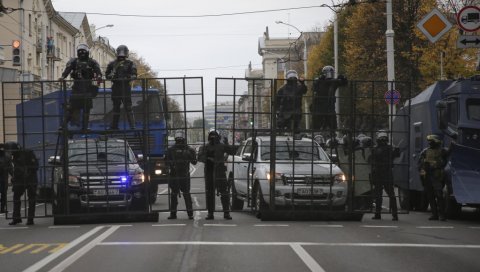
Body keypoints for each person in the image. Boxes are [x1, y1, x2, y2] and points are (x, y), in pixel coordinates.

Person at [59, 44, 102, 131]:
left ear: (87, 52)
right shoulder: (74, 61)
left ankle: (85, 127)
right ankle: (63, 126)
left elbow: (98, 70)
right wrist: (63, 76)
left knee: (86, 109)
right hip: (77, 88)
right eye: (80, 51)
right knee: (71, 108)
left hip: (87, 88)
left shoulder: (92, 62)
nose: (82, 53)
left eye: (83, 51)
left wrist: (99, 76)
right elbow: (68, 69)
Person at [198, 130, 236, 220]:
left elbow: (233, 151)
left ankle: (224, 213)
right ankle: (213, 213)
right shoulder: (206, 147)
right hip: (211, 173)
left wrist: (227, 144)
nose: (213, 139)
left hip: (218, 173)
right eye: (212, 137)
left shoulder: (220, 146)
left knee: (223, 193)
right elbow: (200, 157)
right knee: (214, 194)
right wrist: (208, 158)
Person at [367, 131, 400, 221]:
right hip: (384, 174)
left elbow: (371, 160)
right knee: (389, 195)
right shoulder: (388, 149)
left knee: (380, 195)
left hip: (381, 174)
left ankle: (380, 214)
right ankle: (394, 214)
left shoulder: (378, 149)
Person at [5, 142, 39, 225]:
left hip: (30, 178)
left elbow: (35, 166)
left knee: (31, 198)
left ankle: (30, 219)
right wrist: (14, 178)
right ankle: (16, 218)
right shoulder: (15, 155)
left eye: (11, 151)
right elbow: (16, 169)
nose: (10, 153)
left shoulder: (28, 152)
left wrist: (28, 173)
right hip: (20, 179)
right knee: (16, 196)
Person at [166, 130, 197, 220]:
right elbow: (166, 161)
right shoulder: (172, 149)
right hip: (175, 174)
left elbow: (194, 161)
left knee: (185, 194)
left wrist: (188, 155)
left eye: (181, 138)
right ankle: (174, 214)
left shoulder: (188, 149)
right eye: (178, 138)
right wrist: (171, 164)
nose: (179, 140)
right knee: (175, 194)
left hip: (183, 174)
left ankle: (189, 213)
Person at [106, 45, 138, 130]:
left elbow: (134, 74)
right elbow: (107, 75)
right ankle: (114, 126)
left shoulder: (130, 63)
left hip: (125, 87)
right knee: (116, 107)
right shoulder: (112, 64)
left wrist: (128, 77)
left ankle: (132, 126)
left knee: (128, 107)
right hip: (116, 87)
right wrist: (112, 76)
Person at [418, 134, 449, 221]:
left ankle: (442, 215)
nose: (430, 143)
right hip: (428, 176)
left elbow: (447, 159)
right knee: (430, 196)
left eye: (432, 141)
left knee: (439, 195)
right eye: (429, 142)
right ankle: (434, 214)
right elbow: (420, 165)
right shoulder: (425, 151)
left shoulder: (442, 151)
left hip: (437, 176)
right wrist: (422, 176)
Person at [311, 65, 348, 131]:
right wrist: (319, 80)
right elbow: (313, 88)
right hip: (320, 106)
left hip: (329, 106)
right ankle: (318, 134)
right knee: (317, 125)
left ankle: (332, 135)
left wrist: (342, 78)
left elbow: (344, 83)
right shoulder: (320, 81)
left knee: (332, 125)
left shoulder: (333, 82)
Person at [0, 144, 8, 213]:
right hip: (3, 178)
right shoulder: (6, 157)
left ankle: (2, 208)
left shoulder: (6, 157)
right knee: (4, 194)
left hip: (3, 178)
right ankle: (2, 208)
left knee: (4, 194)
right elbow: (10, 168)